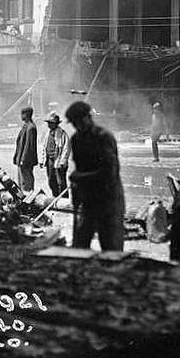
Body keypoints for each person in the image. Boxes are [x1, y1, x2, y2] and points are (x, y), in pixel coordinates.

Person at [65, 101, 125, 251]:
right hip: (88, 201)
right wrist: (77, 189)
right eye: (74, 123)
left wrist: (80, 177)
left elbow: (110, 173)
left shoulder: (104, 137)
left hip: (109, 200)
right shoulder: (76, 140)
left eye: (79, 121)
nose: (77, 126)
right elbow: (79, 168)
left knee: (111, 249)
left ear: (88, 117)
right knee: (80, 244)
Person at [41, 110, 71, 197]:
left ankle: (64, 200)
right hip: (50, 160)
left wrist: (62, 161)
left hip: (58, 161)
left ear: (56, 124)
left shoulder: (62, 134)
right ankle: (55, 197)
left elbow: (66, 149)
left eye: (51, 123)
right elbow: (44, 147)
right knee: (51, 181)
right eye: (49, 123)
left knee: (61, 182)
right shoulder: (48, 134)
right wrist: (42, 160)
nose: (49, 125)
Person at [13, 106, 38, 192]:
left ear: (27, 115)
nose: (21, 116)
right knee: (21, 181)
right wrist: (16, 157)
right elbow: (20, 144)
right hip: (21, 159)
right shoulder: (26, 126)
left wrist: (23, 159)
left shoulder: (31, 128)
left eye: (22, 114)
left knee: (27, 181)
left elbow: (28, 146)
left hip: (26, 160)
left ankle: (28, 198)